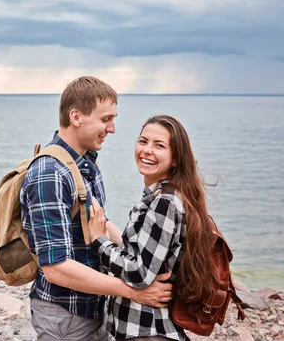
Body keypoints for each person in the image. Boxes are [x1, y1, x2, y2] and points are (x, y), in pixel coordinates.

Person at [20, 77, 173, 341]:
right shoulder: (51, 174)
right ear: (76, 116)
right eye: (105, 119)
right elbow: (55, 268)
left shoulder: (83, 164)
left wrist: (137, 257)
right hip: (64, 315)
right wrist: (133, 291)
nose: (112, 128)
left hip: (93, 308)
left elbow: (98, 223)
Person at [88, 114, 219, 340]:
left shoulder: (165, 202)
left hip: (146, 330)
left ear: (176, 158)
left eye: (159, 145)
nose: (147, 150)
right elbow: (144, 251)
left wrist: (99, 242)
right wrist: (106, 227)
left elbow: (140, 273)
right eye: (143, 141)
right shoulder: (163, 196)